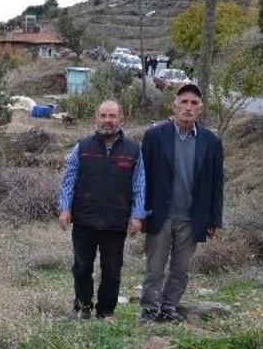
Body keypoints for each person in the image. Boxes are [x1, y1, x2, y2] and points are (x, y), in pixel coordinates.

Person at [139, 84, 224, 323]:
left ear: (200, 108)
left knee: (180, 269)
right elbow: (143, 177)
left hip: (192, 217)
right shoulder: (155, 136)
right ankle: (149, 309)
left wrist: (215, 218)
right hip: (160, 214)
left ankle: (168, 308)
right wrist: (140, 211)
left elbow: (217, 183)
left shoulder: (211, 141)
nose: (188, 107)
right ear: (174, 105)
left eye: (193, 103)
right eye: (184, 102)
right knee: (155, 267)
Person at [58, 100, 146, 319]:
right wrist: (64, 208)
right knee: (82, 266)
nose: (108, 120)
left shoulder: (134, 150)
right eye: (103, 115)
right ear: (96, 118)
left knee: (112, 270)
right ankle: (82, 307)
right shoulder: (82, 147)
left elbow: (140, 184)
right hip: (84, 219)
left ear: (121, 119)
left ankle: (106, 311)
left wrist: (137, 215)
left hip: (116, 221)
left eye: (112, 116)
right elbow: (68, 181)